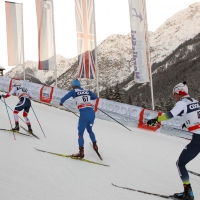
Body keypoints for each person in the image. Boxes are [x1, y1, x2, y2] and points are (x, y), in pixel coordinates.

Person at [147, 81, 200, 200]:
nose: (174, 97)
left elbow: (170, 115)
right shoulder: (194, 101)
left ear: (179, 93)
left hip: (198, 139)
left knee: (180, 163)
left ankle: (188, 193)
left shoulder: (182, 103)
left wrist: (156, 120)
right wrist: (188, 123)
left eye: (175, 94)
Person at [60, 79, 99, 158]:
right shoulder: (87, 90)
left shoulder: (74, 91)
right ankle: (95, 145)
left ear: (74, 86)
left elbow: (65, 97)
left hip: (84, 114)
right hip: (91, 113)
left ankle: (81, 152)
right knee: (90, 130)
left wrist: (61, 102)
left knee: (80, 133)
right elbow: (95, 97)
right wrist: (88, 100)